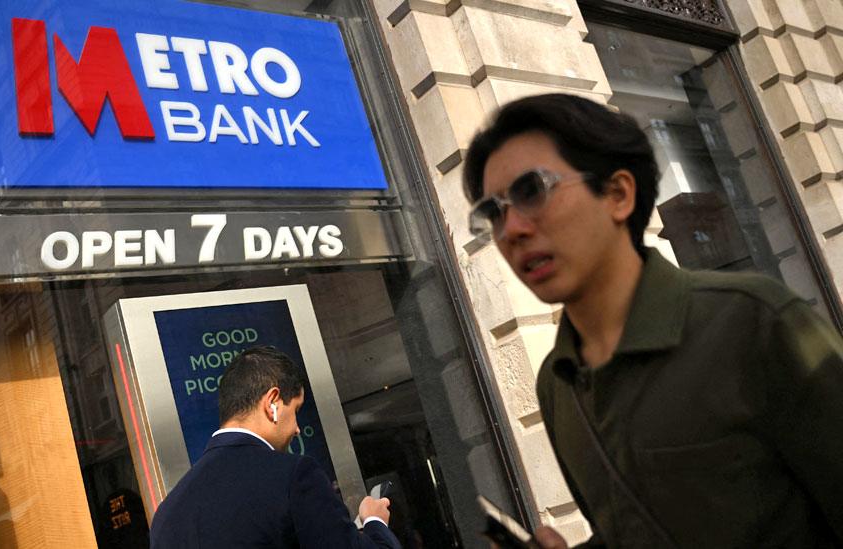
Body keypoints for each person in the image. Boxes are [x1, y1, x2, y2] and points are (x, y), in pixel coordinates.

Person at [463, 93, 843, 547]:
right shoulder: (557, 383)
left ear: (618, 194)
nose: (512, 231)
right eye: (493, 213)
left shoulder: (751, 322)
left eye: (532, 192)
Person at [149, 345, 401, 548]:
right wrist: (375, 522)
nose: (297, 429)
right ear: (273, 403)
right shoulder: (294, 476)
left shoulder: (167, 514)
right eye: (296, 411)